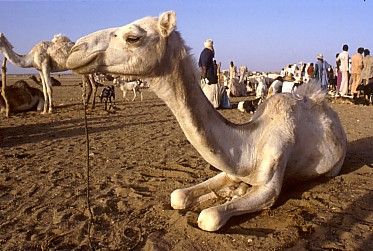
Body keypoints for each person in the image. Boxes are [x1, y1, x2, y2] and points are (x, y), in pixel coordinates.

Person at [198, 39, 220, 108]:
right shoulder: (208, 52)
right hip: (209, 76)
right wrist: (204, 76)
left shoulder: (203, 52)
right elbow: (204, 65)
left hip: (206, 75)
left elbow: (200, 64)